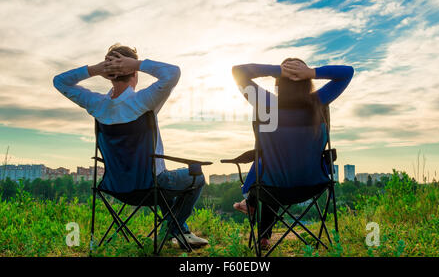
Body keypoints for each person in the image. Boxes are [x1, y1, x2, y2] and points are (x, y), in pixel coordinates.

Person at [53, 43, 208, 248]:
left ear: (109, 75)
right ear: (133, 72)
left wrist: (96, 69)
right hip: (151, 187)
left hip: (117, 188)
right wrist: (137, 63)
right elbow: (173, 73)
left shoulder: (97, 104)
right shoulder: (143, 101)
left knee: (160, 174)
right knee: (196, 176)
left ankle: (183, 232)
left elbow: (60, 81)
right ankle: (174, 229)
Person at [231, 58, 354, 249]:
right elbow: (347, 72)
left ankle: (254, 211)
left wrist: (277, 70)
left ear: (278, 82)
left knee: (270, 167)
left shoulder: (266, 102)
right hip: (313, 184)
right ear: (307, 83)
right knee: (275, 166)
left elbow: (237, 71)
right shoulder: (318, 101)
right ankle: (261, 227)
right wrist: (312, 72)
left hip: (272, 187)